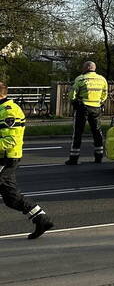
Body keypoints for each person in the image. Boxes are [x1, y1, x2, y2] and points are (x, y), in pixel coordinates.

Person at [0, 82, 54, 239]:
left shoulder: (10, 112)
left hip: (6, 158)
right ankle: (41, 218)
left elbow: (10, 141)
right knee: (11, 198)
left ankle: (42, 219)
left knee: (11, 196)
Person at [67, 61, 108, 165]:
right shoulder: (102, 79)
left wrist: (74, 102)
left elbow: (72, 94)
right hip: (96, 108)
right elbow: (105, 93)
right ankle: (99, 157)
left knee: (78, 133)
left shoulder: (81, 78)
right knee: (97, 132)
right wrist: (100, 101)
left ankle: (74, 158)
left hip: (83, 108)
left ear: (86, 68)